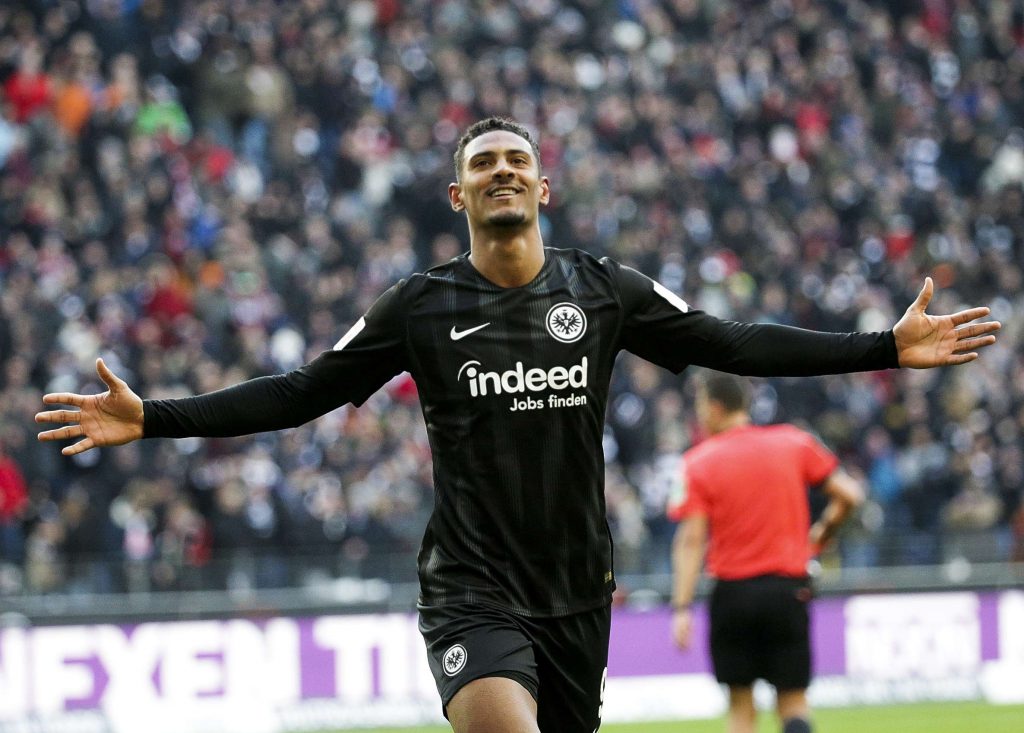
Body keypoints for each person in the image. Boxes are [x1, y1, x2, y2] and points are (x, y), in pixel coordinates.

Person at [36, 117, 1000, 733]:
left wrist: (884, 346)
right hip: (472, 586)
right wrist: (152, 417)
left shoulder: (604, 289)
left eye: (517, 162)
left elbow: (733, 343)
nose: (502, 171)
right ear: (459, 196)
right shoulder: (417, 305)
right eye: (483, 164)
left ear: (543, 190)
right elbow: (300, 392)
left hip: (577, 587)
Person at [667, 372, 865, 733]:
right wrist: (821, 534)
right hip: (787, 591)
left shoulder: (698, 462)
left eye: (700, 407)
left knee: (741, 710)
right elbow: (850, 495)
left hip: (733, 594)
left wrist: (681, 607)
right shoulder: (793, 442)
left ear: (715, 408)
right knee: (793, 703)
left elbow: (691, 540)